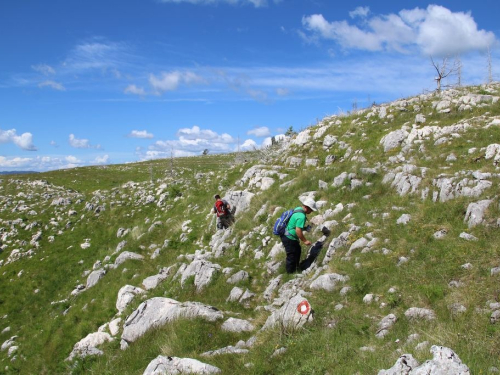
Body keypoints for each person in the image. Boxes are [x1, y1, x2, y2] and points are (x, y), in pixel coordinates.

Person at [280, 197, 317, 273]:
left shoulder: (298, 209)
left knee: (298, 250)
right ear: (307, 207)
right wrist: (305, 241)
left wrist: (305, 228)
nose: (312, 211)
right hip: (289, 238)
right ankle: (290, 273)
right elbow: (298, 230)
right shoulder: (302, 216)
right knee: (291, 256)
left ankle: (296, 268)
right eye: (311, 210)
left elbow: (296, 225)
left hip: (287, 235)